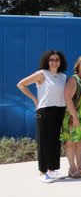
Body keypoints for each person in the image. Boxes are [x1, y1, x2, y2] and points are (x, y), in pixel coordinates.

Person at [17, 50, 68, 183]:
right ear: (47, 61)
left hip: (60, 110)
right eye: (51, 60)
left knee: (55, 141)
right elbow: (21, 84)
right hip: (45, 110)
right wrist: (34, 99)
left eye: (57, 60)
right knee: (44, 142)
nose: (54, 62)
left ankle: (52, 170)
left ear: (60, 62)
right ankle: (42, 171)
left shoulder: (63, 76)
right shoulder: (42, 74)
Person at [60, 56, 81, 178]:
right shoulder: (73, 80)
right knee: (70, 142)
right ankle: (72, 168)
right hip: (72, 116)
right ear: (77, 67)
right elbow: (67, 97)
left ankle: (80, 166)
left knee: (79, 141)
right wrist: (74, 116)